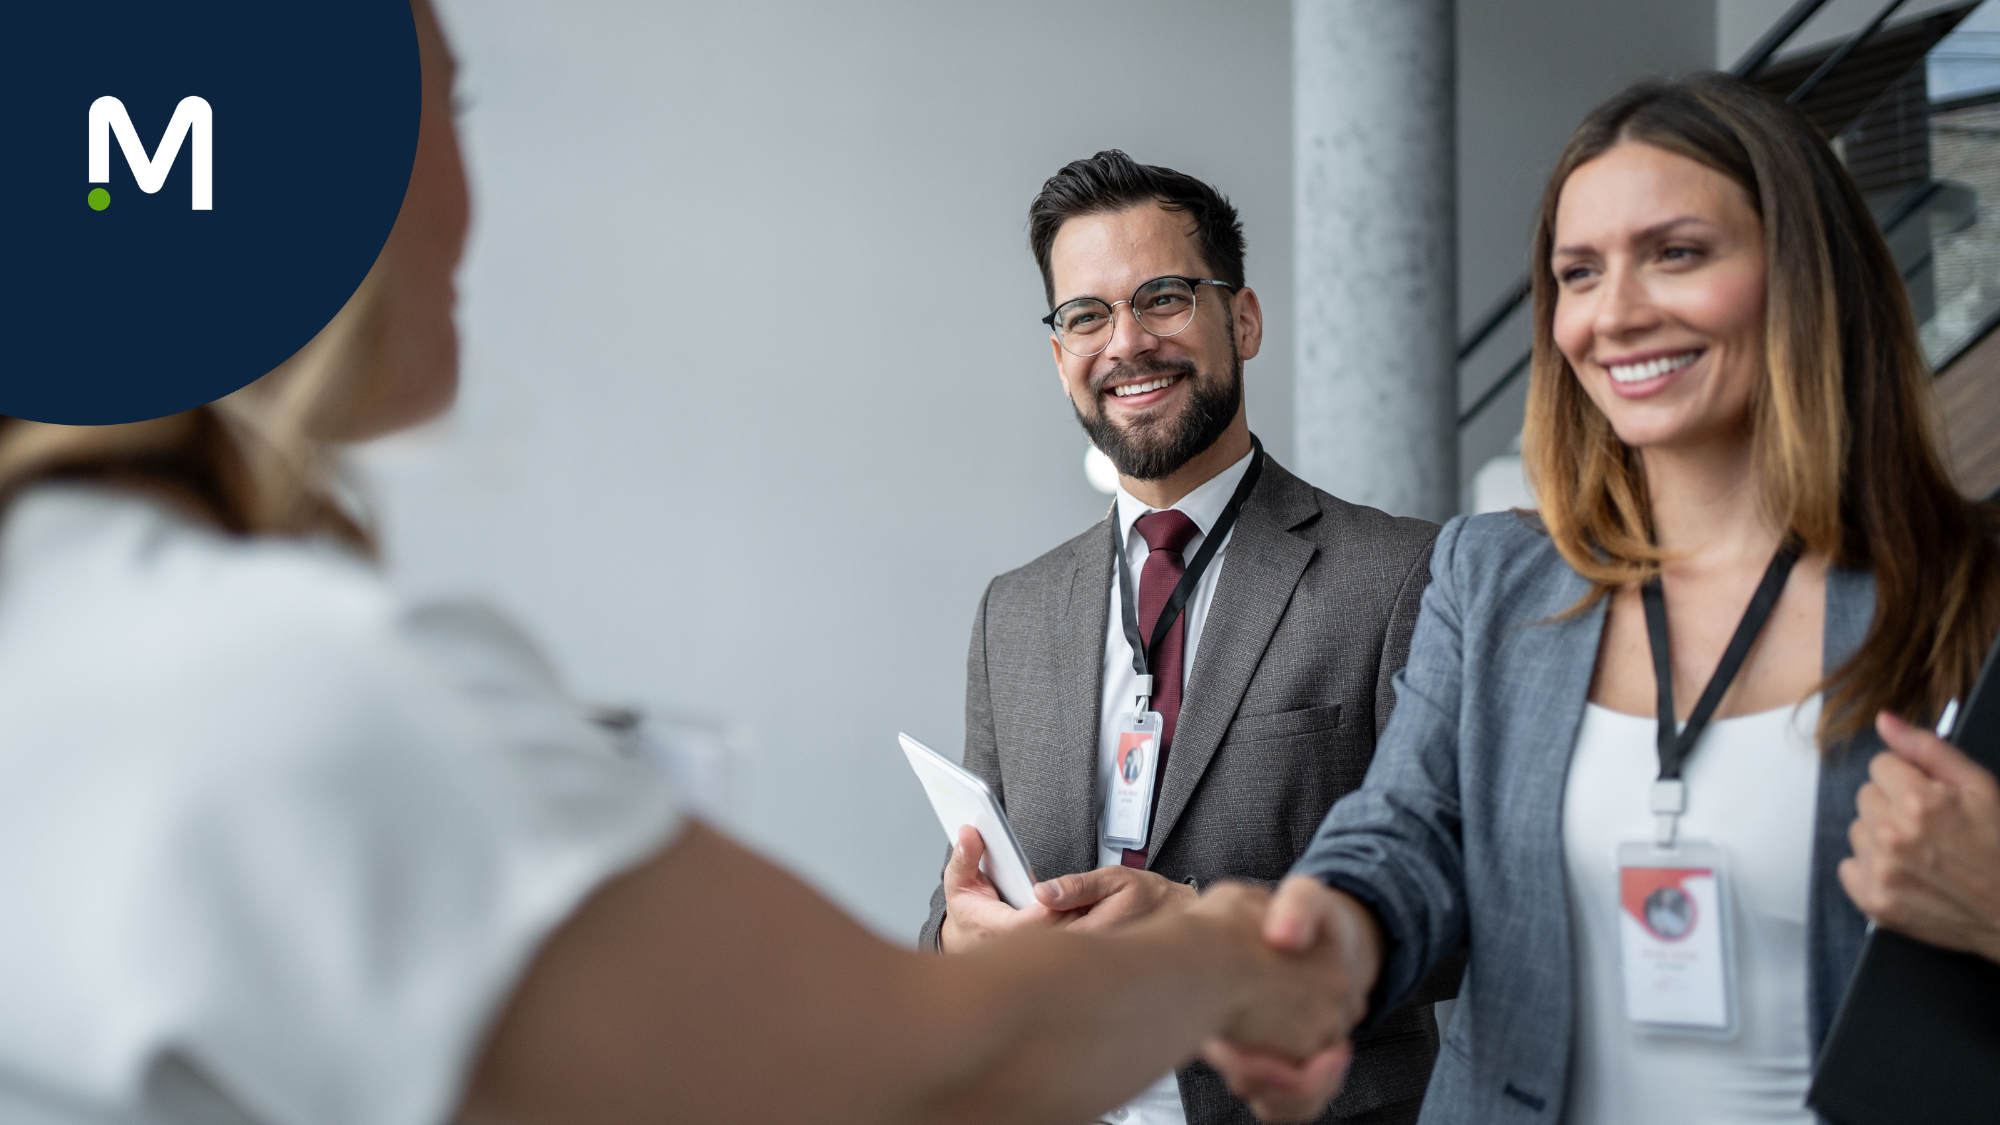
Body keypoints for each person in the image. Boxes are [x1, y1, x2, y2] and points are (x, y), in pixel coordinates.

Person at [0, 7, 1378, 1125]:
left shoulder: (63, 622)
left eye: (1160, 299)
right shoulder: (312, 687)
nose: (471, 193)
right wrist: (1211, 960)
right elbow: (905, 1068)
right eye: (447, 112)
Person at [1200, 74, 2000, 1123]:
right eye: (1577, 272)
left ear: (1804, 274)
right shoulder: (1490, 579)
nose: (1614, 313)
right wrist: (1325, 934)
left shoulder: (1966, 591)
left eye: (1675, 252)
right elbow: (1403, 843)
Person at [920, 151, 1449, 1125]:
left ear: (1240, 320)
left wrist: (1212, 929)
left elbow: (1453, 908)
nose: (1125, 342)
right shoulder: (1014, 610)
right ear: (1057, 354)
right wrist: (960, 939)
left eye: (1162, 298)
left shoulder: (1398, 575)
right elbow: (955, 898)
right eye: (1085, 315)